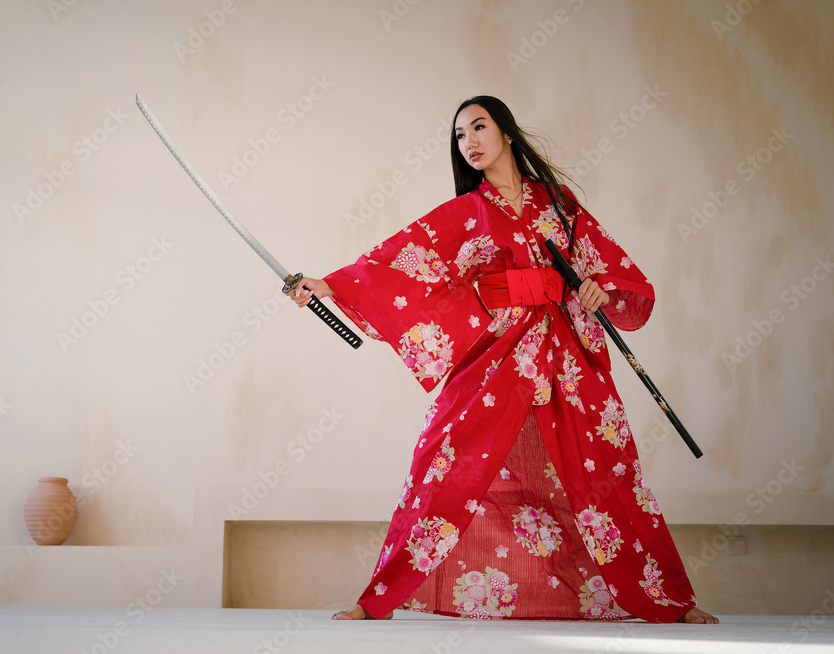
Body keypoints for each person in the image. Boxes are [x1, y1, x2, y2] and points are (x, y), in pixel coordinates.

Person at [290, 96, 718, 624]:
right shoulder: (464, 214)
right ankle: (379, 598)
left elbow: (603, 268)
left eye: (478, 127)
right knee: (442, 461)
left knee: (607, 470)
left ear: (507, 132)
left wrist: (595, 291)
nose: (468, 141)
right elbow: (400, 264)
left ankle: (669, 601)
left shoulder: (559, 204)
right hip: (498, 351)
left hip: (564, 351)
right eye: (459, 135)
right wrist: (328, 286)